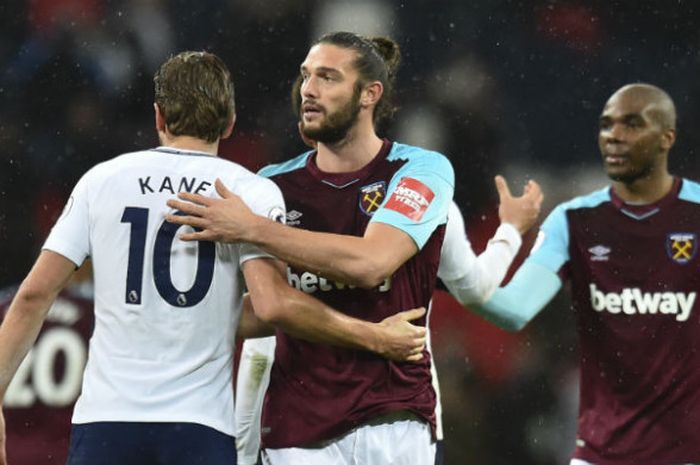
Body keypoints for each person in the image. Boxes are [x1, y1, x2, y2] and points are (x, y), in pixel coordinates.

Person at [0, 50, 428, 465]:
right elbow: (272, 305)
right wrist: (364, 328)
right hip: (198, 427)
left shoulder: (102, 181)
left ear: (159, 117)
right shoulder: (249, 192)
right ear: (229, 124)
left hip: (108, 423)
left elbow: (34, 296)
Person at [167, 32, 541, 465]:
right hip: (298, 427)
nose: (309, 89)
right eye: (306, 77)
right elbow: (254, 313)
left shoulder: (421, 172)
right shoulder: (270, 187)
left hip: (395, 421)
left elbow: (373, 262)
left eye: (327, 78)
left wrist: (509, 233)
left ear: (369, 94)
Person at [472, 83, 700, 465]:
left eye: (631, 124)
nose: (614, 136)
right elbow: (514, 309)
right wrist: (452, 264)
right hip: (599, 454)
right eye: (606, 125)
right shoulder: (574, 220)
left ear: (666, 138)